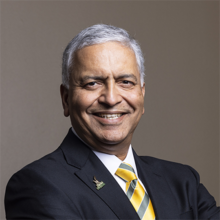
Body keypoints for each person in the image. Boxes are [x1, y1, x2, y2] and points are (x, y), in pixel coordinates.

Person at [5, 24, 220, 220]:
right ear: (66, 99)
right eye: (92, 83)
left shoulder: (183, 181)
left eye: (125, 82)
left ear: (142, 96)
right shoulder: (38, 185)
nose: (111, 98)